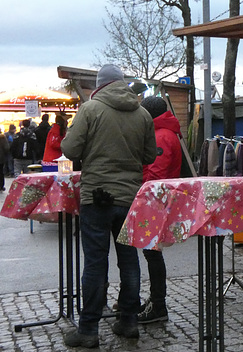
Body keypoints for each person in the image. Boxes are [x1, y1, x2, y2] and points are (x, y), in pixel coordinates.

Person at [61, 64, 156, 349]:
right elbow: (150, 154)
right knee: (129, 261)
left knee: (95, 263)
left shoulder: (90, 110)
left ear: (100, 86)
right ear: (122, 84)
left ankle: (88, 329)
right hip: (129, 198)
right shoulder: (142, 113)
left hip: (96, 196)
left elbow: (70, 150)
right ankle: (128, 322)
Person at [137, 96, 183, 324]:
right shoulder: (164, 132)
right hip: (158, 199)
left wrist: (139, 189)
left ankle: (158, 304)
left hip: (155, 201)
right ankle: (156, 301)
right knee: (151, 253)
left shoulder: (161, 136)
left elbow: (156, 175)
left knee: (152, 254)